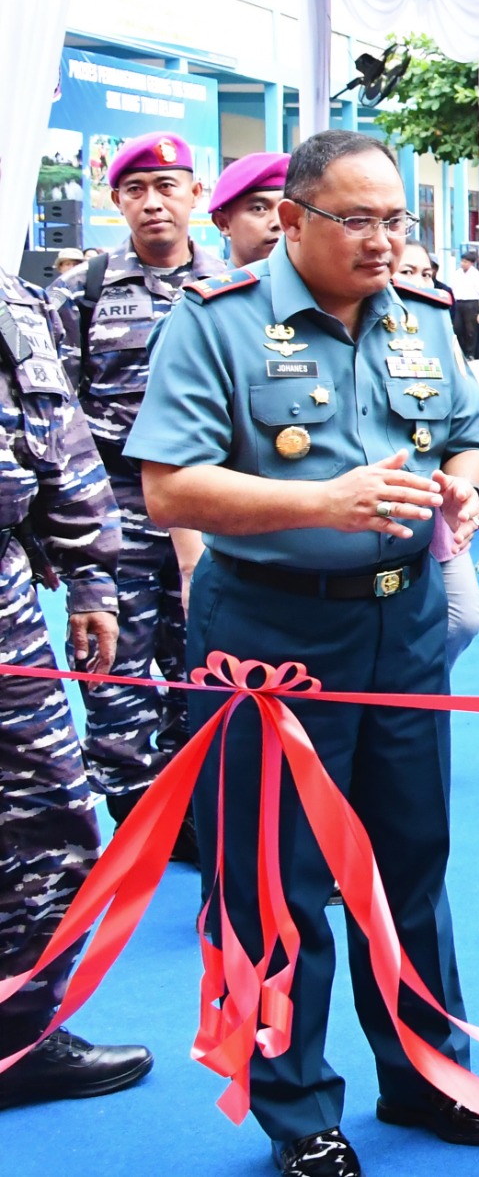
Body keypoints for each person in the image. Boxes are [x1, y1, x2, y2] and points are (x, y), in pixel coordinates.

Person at [128, 130, 479, 1175]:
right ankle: (298, 1110)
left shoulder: (423, 323)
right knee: (277, 878)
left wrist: (467, 479)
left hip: (405, 621)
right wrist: (319, 501)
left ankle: (430, 1073)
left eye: (397, 219)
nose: (386, 241)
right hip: (272, 632)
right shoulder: (217, 324)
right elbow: (169, 485)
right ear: (291, 220)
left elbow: (471, 431)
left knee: (410, 858)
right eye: (360, 220)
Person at [0, 267, 153, 1112]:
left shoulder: (11, 299)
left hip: (4, 603)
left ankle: (16, 1035)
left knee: (45, 817)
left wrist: (93, 579)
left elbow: (52, 433)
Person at [43, 133, 226, 840]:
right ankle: (139, 816)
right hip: (113, 511)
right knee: (113, 673)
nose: (153, 203)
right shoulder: (78, 292)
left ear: (195, 195)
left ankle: (199, 813)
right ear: (116, 200)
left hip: (207, 506)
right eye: (136, 190)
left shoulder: (227, 289)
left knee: (202, 665)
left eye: (168, 185)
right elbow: (54, 415)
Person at [395, 243, 479, 667]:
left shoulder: (433, 331)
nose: (417, 281)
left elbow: (471, 440)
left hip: (433, 519)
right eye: (406, 271)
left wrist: (468, 491)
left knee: (462, 619)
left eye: (426, 273)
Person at [209, 151, 289, 269]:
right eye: (259, 209)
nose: (278, 223)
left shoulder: (319, 286)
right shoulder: (210, 286)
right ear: (223, 223)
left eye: (285, 209)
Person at [446, 250, 479, 360]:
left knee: (471, 330)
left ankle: (470, 353)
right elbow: (452, 287)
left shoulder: (476, 275)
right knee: (457, 328)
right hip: (459, 303)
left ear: (471, 263)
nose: (463, 264)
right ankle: (461, 351)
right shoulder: (457, 273)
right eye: (462, 261)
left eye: (466, 262)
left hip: (471, 303)